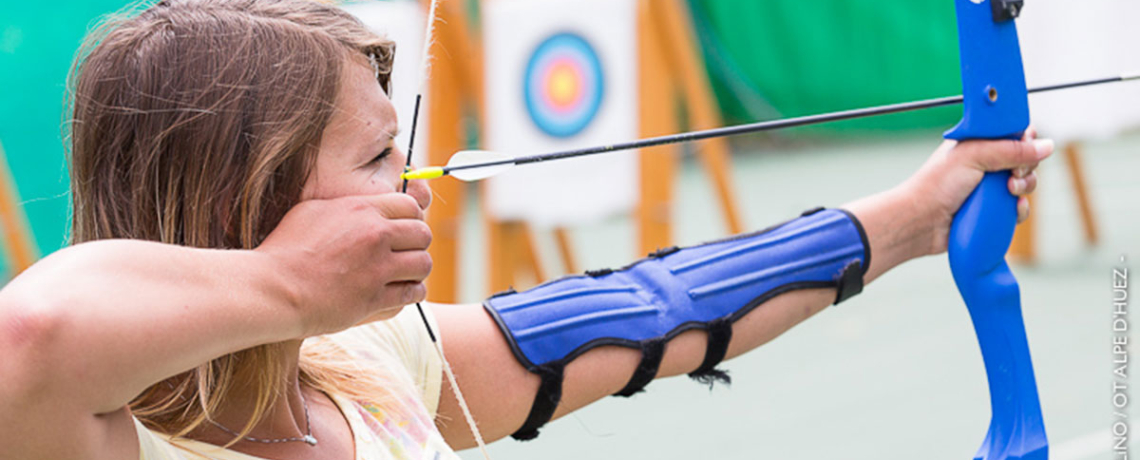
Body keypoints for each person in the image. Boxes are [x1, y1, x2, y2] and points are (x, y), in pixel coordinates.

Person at [0, 0, 1051, 459]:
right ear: (248, 205)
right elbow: (29, 335)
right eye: (376, 165)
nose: (412, 195)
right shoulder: (105, 437)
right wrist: (288, 286)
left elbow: (651, 314)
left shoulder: (359, 370)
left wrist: (912, 220)